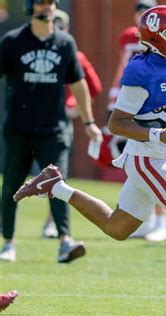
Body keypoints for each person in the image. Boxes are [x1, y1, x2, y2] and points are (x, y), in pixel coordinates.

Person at [13, 5, 166, 309]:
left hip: (161, 152)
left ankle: (56, 186)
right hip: (146, 155)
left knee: (118, 227)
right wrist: (158, 135)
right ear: (157, 38)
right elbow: (117, 123)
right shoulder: (142, 70)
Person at [0, 0, 102, 263]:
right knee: (11, 184)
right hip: (18, 128)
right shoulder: (13, 40)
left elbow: (78, 84)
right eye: (42, 3)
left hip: (53, 129)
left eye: (51, 3)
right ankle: (8, 242)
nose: (47, 7)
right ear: (29, 7)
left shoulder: (65, 42)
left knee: (58, 185)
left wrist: (89, 123)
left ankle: (65, 242)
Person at [106, 0, 166, 242]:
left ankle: (161, 220)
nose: (142, 13)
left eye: (147, 8)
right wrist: (113, 99)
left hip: (155, 105)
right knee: (136, 161)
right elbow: (123, 69)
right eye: (139, 8)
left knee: (158, 161)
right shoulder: (128, 37)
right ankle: (147, 221)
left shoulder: (165, 38)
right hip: (131, 103)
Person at [42, 8, 103, 239]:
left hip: (60, 120)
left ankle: (52, 222)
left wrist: (75, 108)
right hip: (36, 118)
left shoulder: (74, 55)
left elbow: (93, 86)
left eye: (59, 26)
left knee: (56, 169)